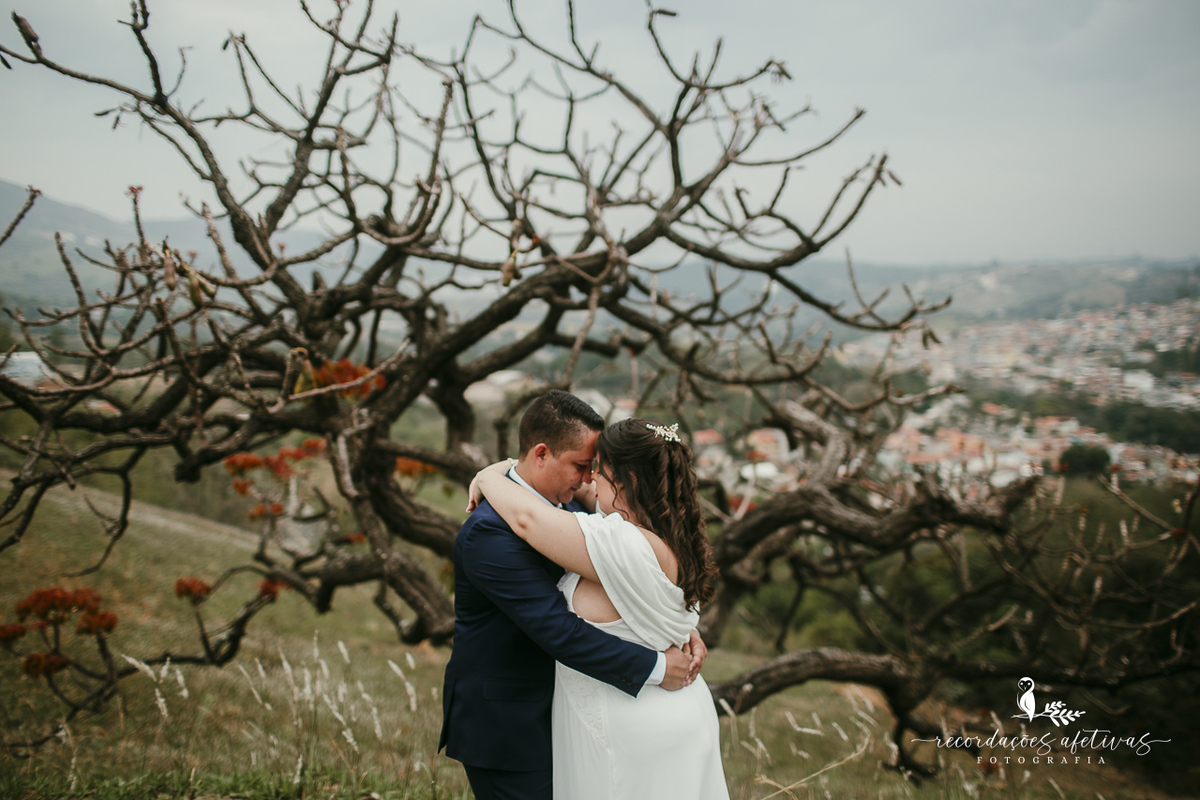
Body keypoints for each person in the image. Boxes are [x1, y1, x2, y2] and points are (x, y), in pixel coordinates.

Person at [438, 391, 704, 800]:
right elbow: (557, 630)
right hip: (511, 726)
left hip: (574, 720)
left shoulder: (583, 515)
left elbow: (628, 588)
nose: (588, 480)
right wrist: (657, 665)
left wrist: (674, 630)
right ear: (541, 454)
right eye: (581, 466)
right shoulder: (489, 531)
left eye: (595, 468)